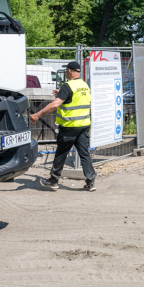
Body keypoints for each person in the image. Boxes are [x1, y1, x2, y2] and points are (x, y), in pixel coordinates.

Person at [29, 61, 97, 191]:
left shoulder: (68, 86)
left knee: (61, 153)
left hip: (69, 127)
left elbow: (54, 105)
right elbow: (76, 98)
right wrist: (61, 93)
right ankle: (91, 182)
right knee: (84, 154)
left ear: (70, 71)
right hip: (83, 125)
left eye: (66, 71)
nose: (66, 73)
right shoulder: (84, 85)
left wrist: (37, 115)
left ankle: (53, 180)